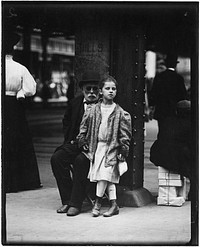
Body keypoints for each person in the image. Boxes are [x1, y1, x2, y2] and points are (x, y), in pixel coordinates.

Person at [74, 75, 132, 217]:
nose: (111, 91)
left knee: (104, 176)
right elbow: (83, 128)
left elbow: (125, 134)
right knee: (106, 177)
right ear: (101, 91)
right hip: (97, 147)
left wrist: (123, 149)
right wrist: (82, 140)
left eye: (114, 89)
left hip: (111, 148)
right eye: (107, 88)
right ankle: (114, 205)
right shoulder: (93, 110)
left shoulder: (120, 113)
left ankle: (98, 203)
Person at [51, 71, 100, 214]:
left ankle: (75, 203)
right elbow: (66, 122)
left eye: (95, 89)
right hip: (75, 143)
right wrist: (70, 140)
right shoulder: (75, 103)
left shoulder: (104, 105)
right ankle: (66, 200)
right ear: (82, 90)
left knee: (80, 161)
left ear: (100, 90)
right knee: (57, 158)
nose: (91, 92)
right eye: (88, 89)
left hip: (94, 147)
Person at [4, 31, 42, 193]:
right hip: (14, 106)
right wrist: (20, 93)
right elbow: (31, 87)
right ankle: (20, 181)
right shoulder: (20, 68)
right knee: (17, 141)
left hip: (4, 104)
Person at [150, 100, 192, 199]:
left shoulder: (167, 120)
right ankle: (193, 194)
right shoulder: (191, 124)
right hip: (177, 159)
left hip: (159, 156)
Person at [149, 53, 188, 130]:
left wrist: (152, 105)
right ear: (175, 65)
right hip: (174, 111)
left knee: (162, 131)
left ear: (166, 64)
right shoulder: (179, 78)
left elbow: (153, 94)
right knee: (172, 131)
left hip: (161, 110)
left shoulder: (159, 76)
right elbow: (183, 96)